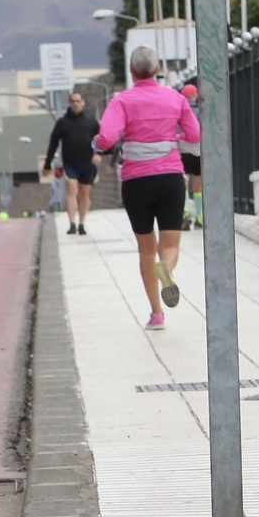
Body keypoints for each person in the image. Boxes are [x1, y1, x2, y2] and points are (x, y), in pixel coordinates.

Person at [96, 46, 200, 331]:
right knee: (170, 244)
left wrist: (98, 145)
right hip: (169, 178)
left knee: (145, 249)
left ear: (132, 72)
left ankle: (156, 314)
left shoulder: (122, 101)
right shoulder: (175, 98)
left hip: (136, 182)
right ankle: (166, 268)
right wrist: (174, 136)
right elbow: (195, 134)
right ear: (156, 70)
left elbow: (106, 138)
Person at [43, 91, 100, 235]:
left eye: (77, 101)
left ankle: (81, 223)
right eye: (72, 101)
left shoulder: (91, 122)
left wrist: (99, 154)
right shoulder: (63, 123)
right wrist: (47, 164)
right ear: (69, 103)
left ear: (83, 102)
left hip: (87, 162)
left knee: (84, 192)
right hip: (70, 163)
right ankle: (72, 223)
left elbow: (101, 140)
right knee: (71, 188)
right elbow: (53, 144)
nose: (75, 104)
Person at [177, 77, 203, 229]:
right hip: (198, 152)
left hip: (181, 151)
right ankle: (200, 216)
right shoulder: (201, 111)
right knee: (198, 186)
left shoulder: (179, 112)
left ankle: (185, 212)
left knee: (184, 183)